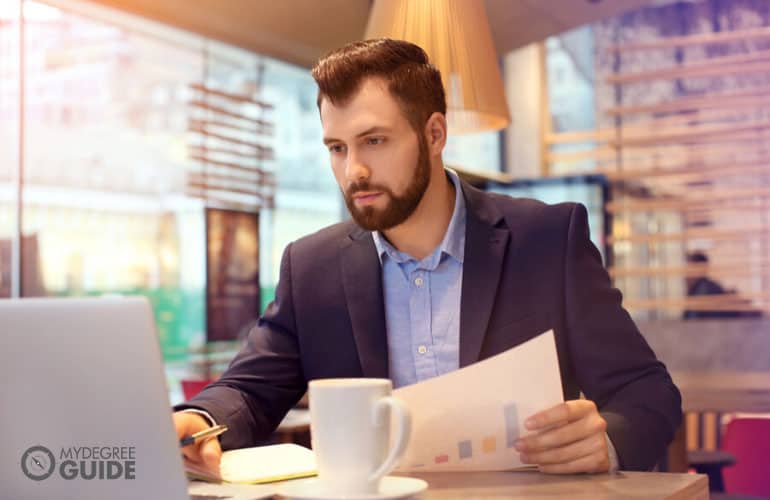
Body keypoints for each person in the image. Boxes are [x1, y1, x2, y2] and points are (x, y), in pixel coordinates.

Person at [173, 38, 681, 476]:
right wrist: (196, 422)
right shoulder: (312, 267)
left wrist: (606, 440)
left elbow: (648, 392)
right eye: (337, 148)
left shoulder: (547, 239)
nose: (355, 171)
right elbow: (246, 390)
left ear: (434, 134)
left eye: (374, 141)